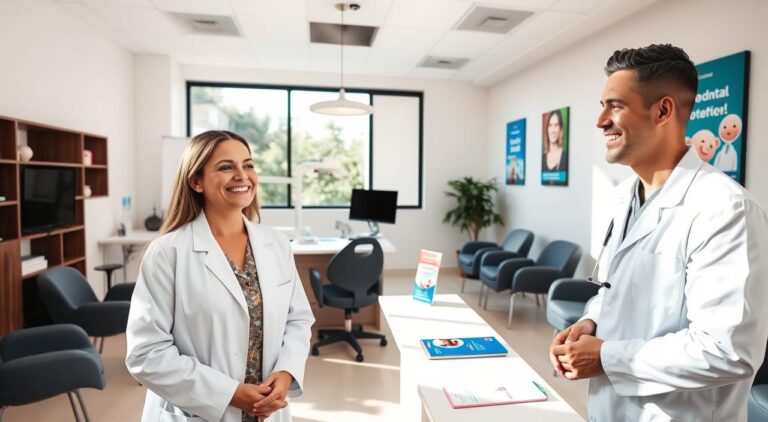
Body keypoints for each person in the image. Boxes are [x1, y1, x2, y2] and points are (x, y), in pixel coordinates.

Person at [549, 44, 768, 421]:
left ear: (663, 110)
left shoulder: (725, 209)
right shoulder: (624, 197)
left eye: (615, 106)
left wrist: (605, 357)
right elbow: (614, 291)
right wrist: (591, 322)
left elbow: (727, 350)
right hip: (611, 408)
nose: (600, 121)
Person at [126, 130, 315, 422]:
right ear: (196, 181)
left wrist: (286, 371)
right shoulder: (167, 253)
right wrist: (230, 394)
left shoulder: (276, 244)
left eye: (248, 165)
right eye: (226, 167)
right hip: (200, 412)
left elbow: (298, 319)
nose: (242, 175)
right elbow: (146, 354)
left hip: (267, 410)